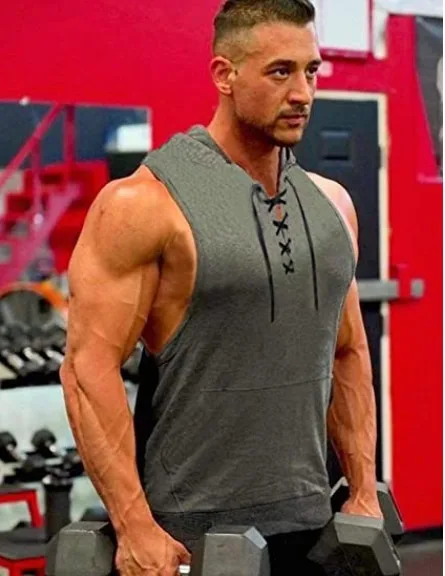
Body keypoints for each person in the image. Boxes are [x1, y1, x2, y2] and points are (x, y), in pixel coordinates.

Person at [60, 0, 382, 574]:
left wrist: (361, 490)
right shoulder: (143, 204)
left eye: (311, 70)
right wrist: (135, 525)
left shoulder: (332, 205)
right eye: (280, 71)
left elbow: (348, 349)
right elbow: (88, 370)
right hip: (188, 536)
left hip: (314, 526)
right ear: (224, 75)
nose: (303, 93)